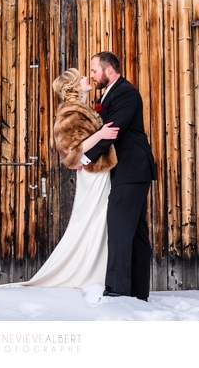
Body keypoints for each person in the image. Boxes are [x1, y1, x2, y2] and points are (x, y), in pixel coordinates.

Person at [0, 68, 119, 289]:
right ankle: (86, 272)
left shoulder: (80, 109)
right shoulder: (69, 112)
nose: (87, 78)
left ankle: (96, 269)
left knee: (97, 220)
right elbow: (71, 150)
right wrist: (102, 134)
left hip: (98, 171)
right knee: (91, 220)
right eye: (82, 77)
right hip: (93, 173)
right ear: (76, 86)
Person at [83, 51, 157, 301]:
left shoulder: (125, 92)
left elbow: (111, 130)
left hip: (132, 167)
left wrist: (84, 157)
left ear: (109, 70)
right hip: (128, 169)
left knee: (119, 228)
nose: (91, 75)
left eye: (94, 70)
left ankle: (116, 290)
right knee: (135, 231)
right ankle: (137, 292)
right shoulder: (109, 93)